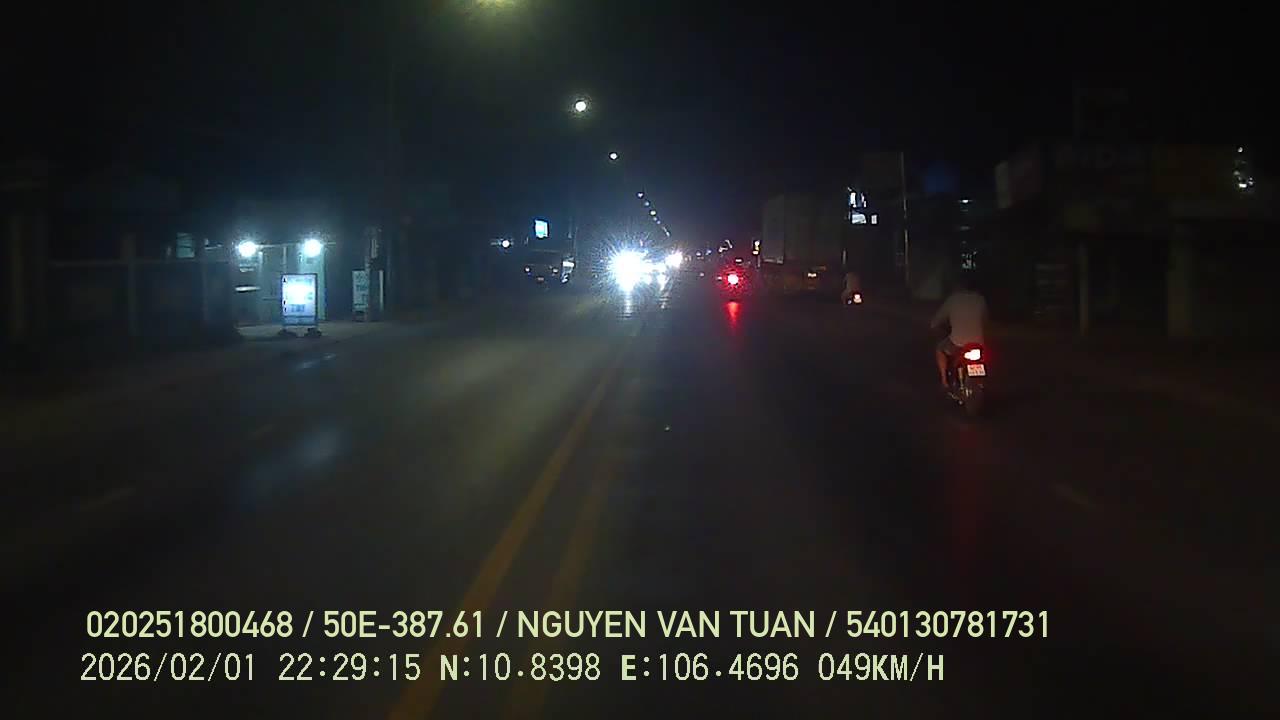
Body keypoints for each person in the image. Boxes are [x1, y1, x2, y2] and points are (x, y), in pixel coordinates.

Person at [929, 273, 989, 390]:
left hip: (958, 343)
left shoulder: (953, 299)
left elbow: (937, 320)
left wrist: (934, 325)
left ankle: (944, 380)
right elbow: (985, 319)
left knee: (940, 349)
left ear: (958, 286)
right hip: (978, 344)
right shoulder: (980, 299)